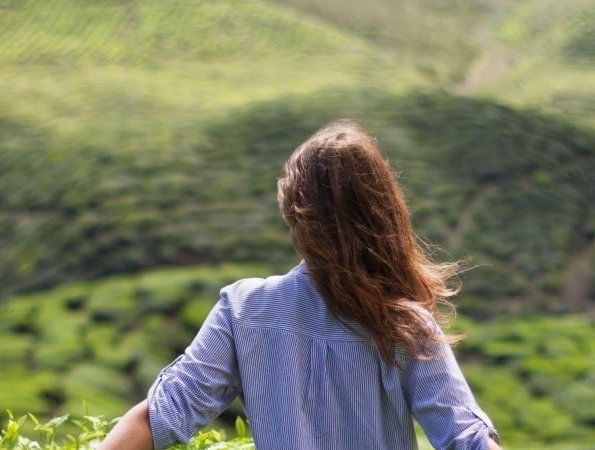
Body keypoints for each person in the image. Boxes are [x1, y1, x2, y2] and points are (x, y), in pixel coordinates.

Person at [98, 120, 501, 450]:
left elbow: (161, 416)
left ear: (294, 213)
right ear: (385, 217)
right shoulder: (407, 327)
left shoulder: (243, 310)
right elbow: (466, 438)